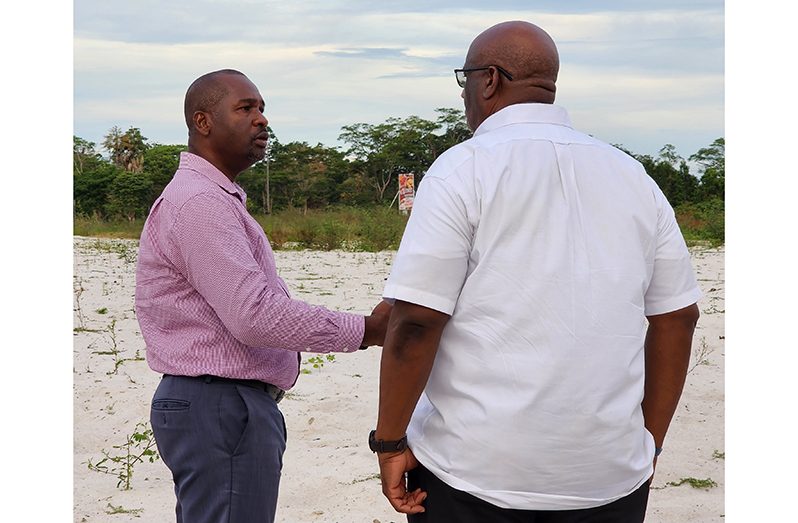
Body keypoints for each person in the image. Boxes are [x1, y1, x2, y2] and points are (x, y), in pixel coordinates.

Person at [369, 21, 702, 523]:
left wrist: (390, 441)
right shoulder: (632, 175)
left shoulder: (463, 169)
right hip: (610, 476)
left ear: (489, 80)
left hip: (473, 472)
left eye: (464, 80)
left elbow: (416, 320)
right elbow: (679, 317)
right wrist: (648, 442)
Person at [134, 69, 391, 523]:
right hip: (221, 405)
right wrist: (367, 330)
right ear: (203, 121)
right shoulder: (199, 202)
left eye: (262, 108)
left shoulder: (212, 197)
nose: (262, 120)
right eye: (246, 108)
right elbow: (253, 316)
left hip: (216, 404)